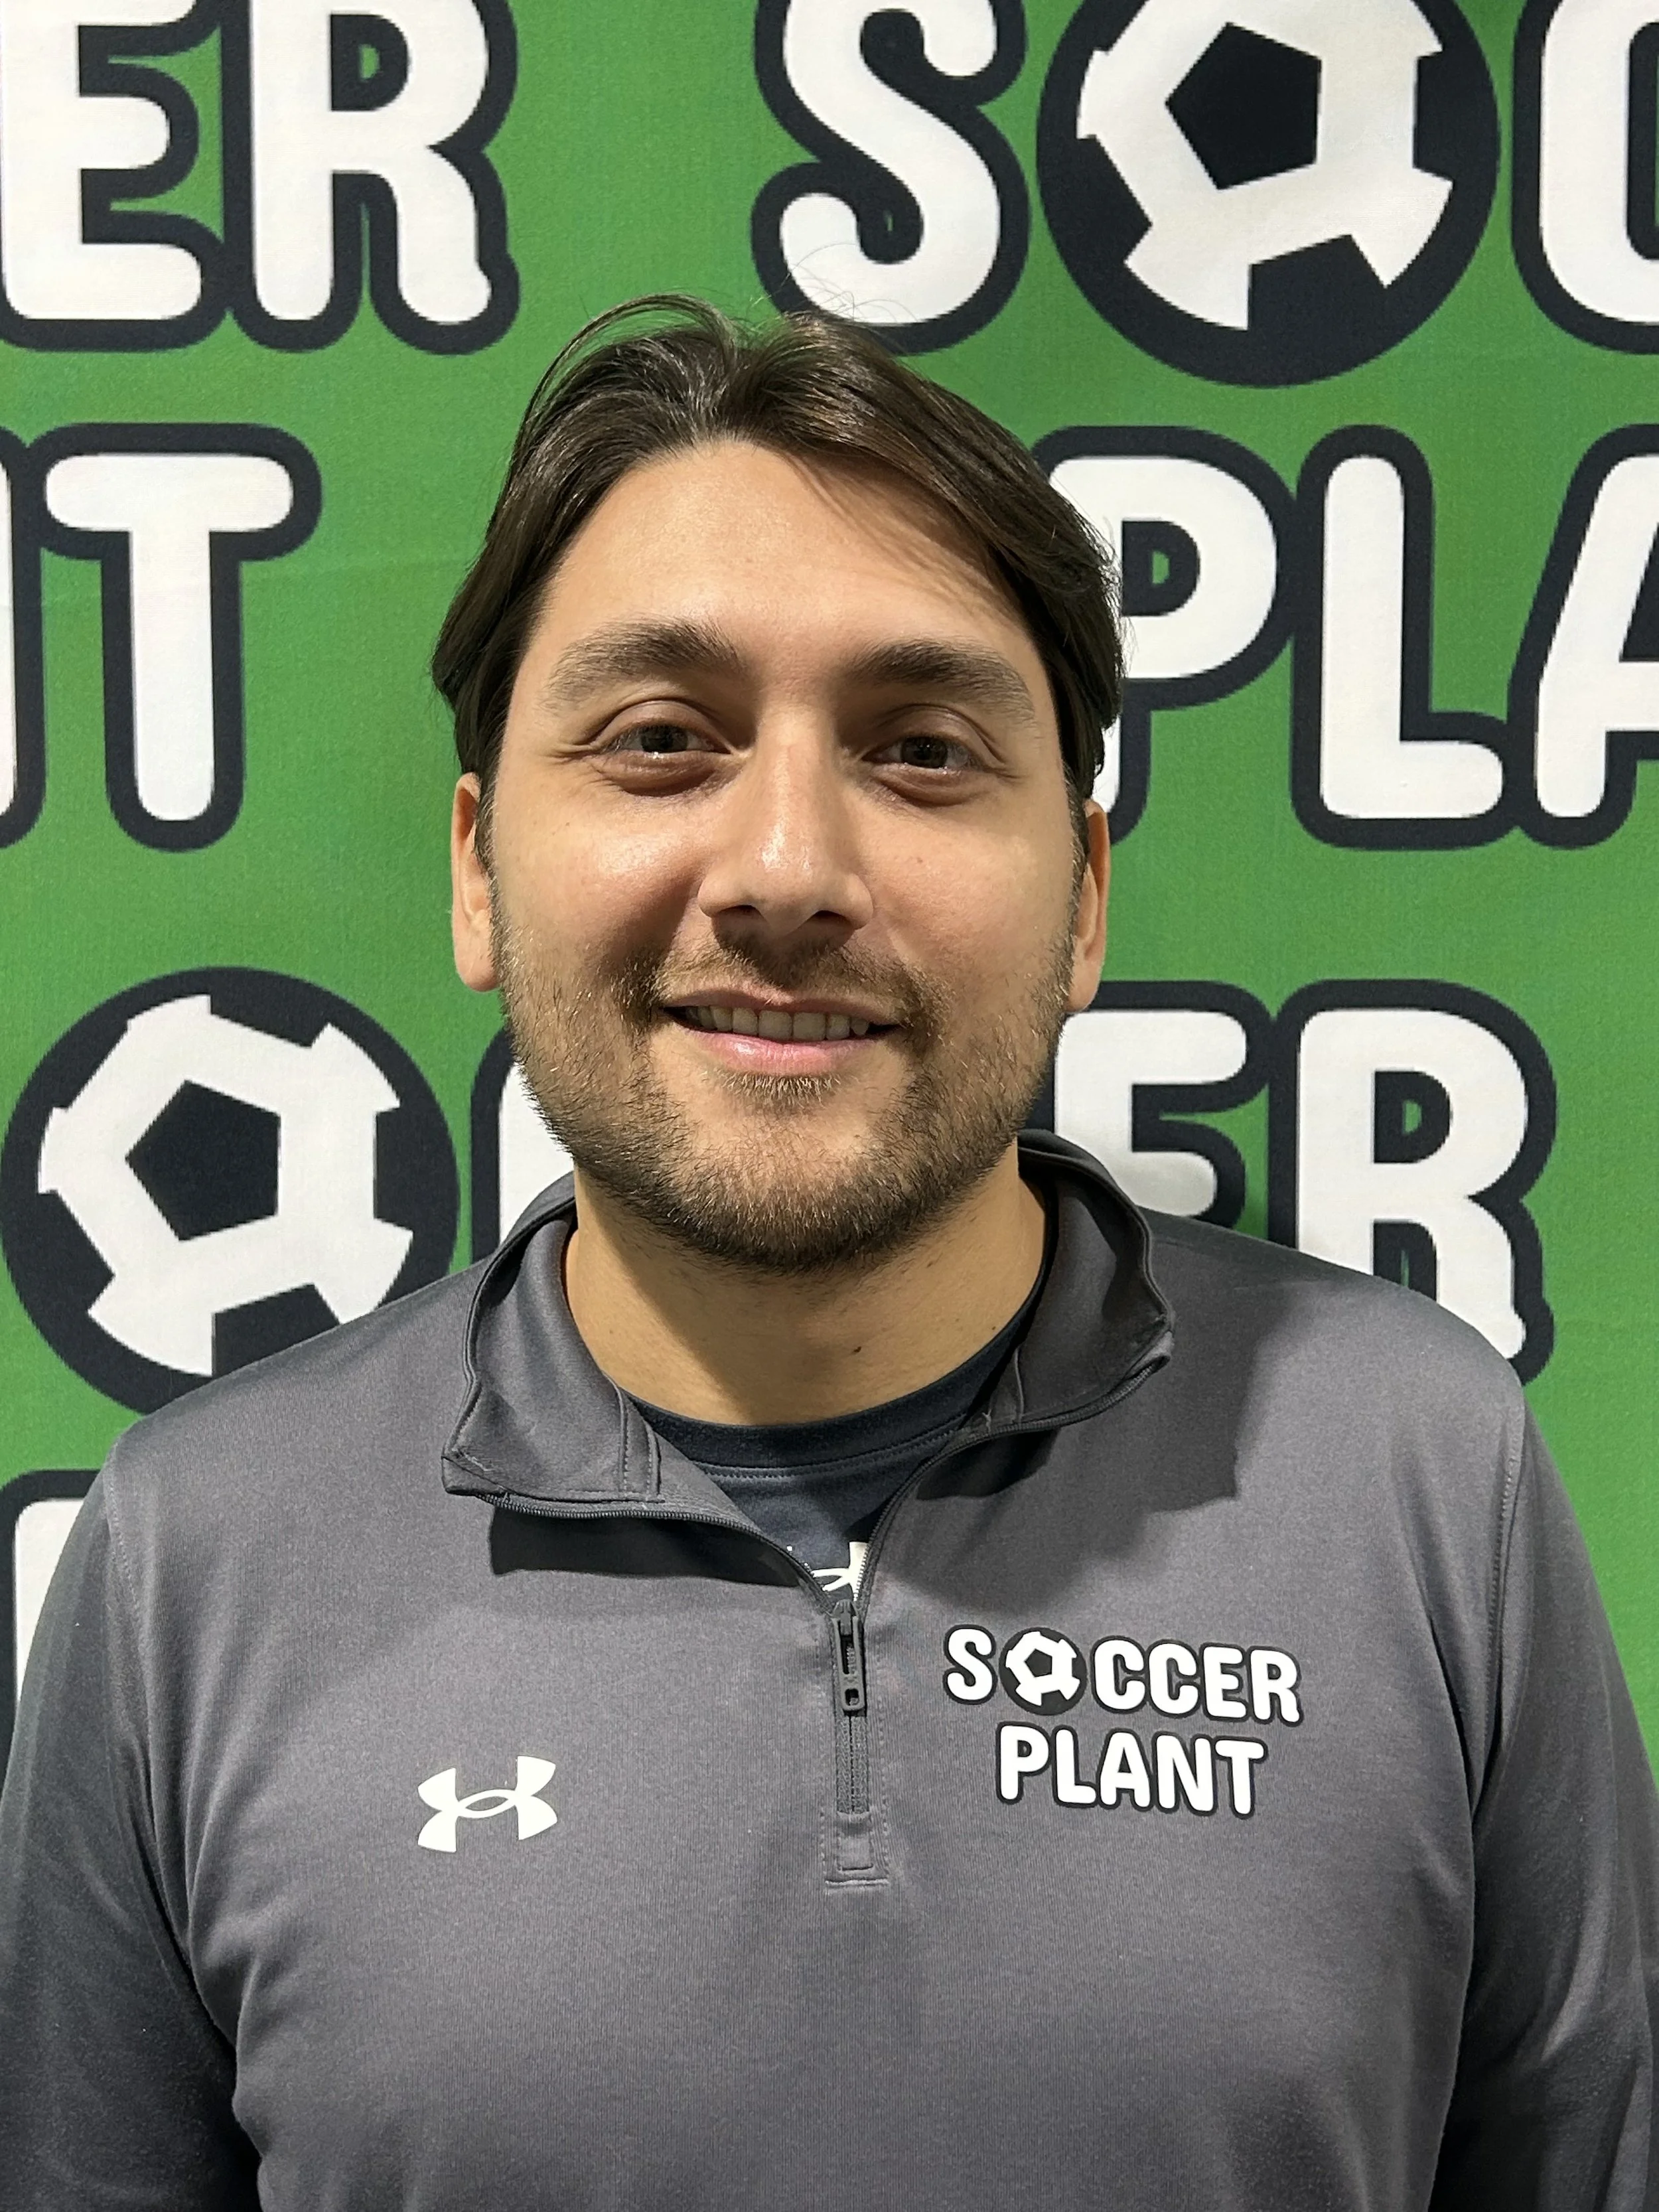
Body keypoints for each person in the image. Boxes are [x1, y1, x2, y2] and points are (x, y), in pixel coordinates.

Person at [2, 297, 1655, 2211]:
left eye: (923, 748)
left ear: (1087, 892)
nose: (785, 863)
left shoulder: (1415, 1466)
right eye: (659, 741)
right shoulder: (194, 1556)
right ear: (476, 866)